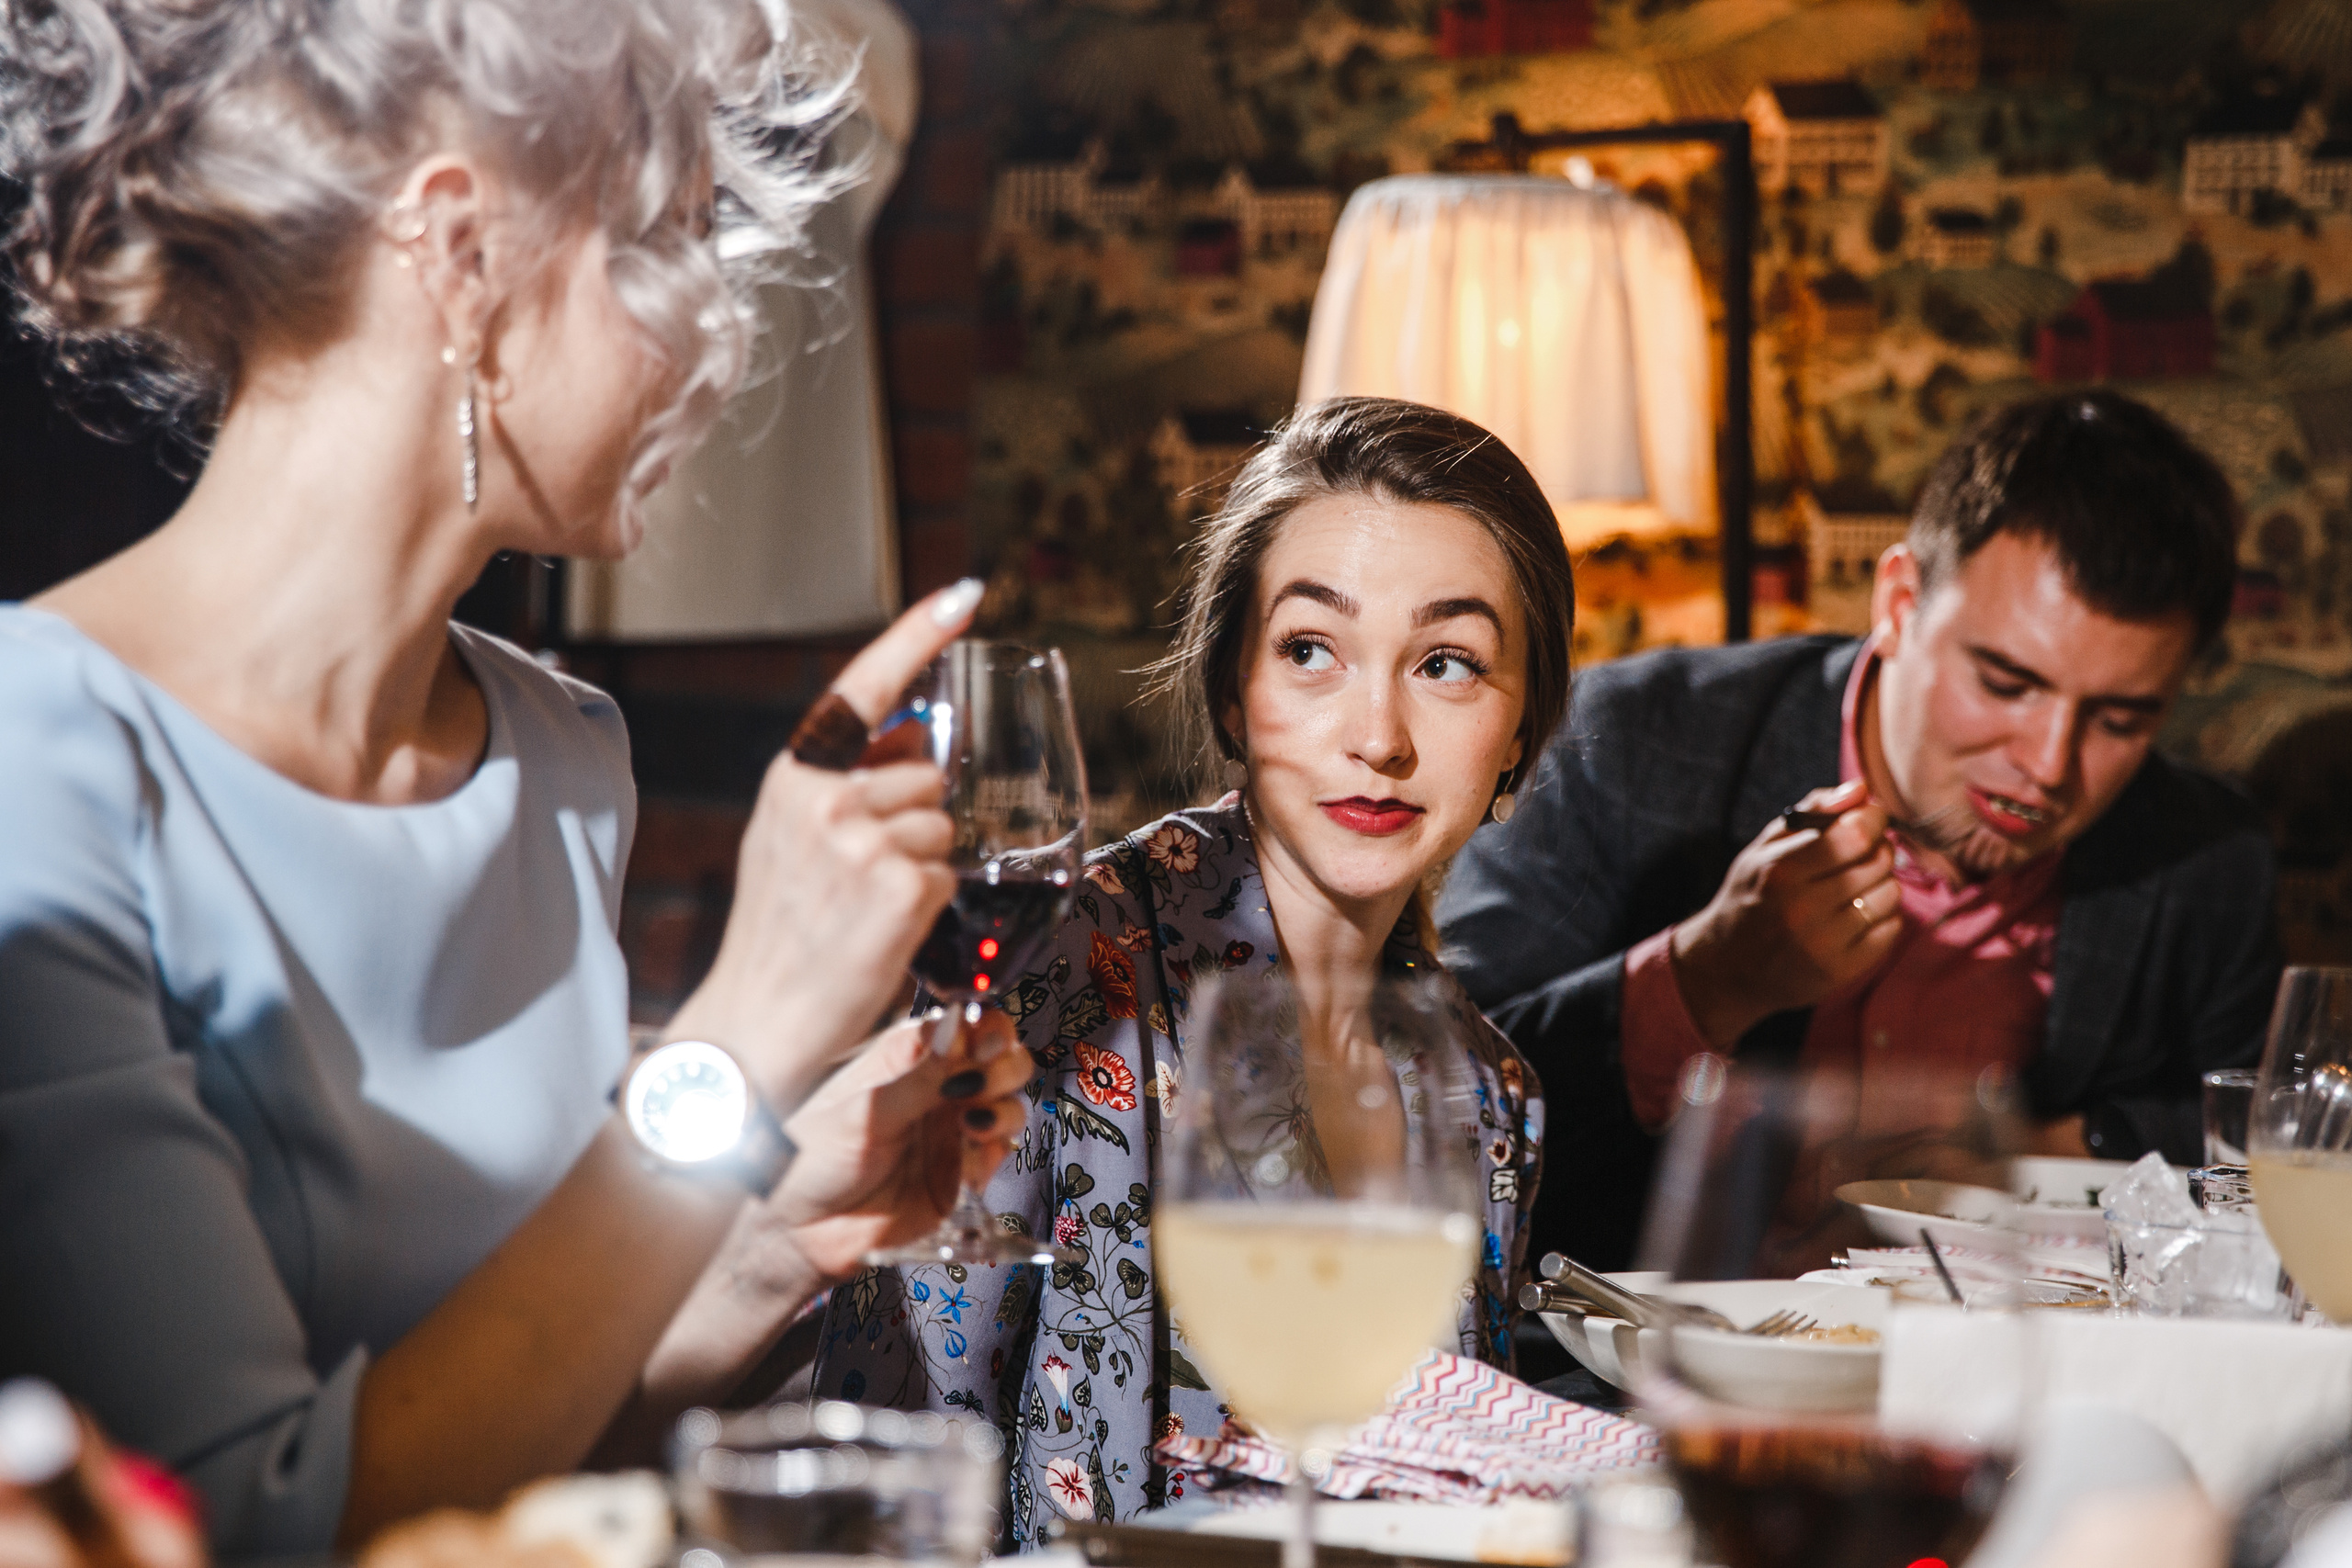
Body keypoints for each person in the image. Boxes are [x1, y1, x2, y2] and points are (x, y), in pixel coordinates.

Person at [0, 0, 1035, 1555]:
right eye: (669, 240)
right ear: (459, 252)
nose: (724, 336)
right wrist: (740, 1039)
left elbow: (516, 1447)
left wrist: (762, 1243)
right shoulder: (38, 756)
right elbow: (254, 1522)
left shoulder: (564, 756)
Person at [812, 397, 1573, 1545]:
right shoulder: (1060, 971)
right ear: (1232, 689)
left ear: (1521, 728)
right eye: (1311, 649)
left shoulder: (1492, 1096)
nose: (1379, 734)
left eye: (1449, 663)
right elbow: (884, 1467)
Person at [1440, 390, 2284, 1270]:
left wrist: (2040, 1147)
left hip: (2017, 1377)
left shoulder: (2206, 853)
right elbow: (1434, 1099)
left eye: (2118, 720)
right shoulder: (1629, 743)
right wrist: (1708, 979)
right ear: (1899, 600)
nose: (2047, 766)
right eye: (2004, 682)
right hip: (1647, 1373)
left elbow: (2270, 1138)